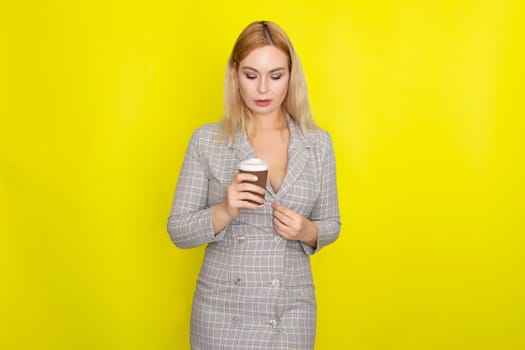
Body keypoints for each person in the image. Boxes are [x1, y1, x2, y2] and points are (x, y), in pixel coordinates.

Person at [167, 20, 341, 349]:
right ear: (235, 75)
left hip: (291, 312)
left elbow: (332, 223)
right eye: (251, 75)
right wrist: (225, 209)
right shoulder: (207, 141)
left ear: (291, 77)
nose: (263, 89)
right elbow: (177, 230)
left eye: (276, 76)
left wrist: (307, 231)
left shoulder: (317, 144)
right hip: (222, 314)